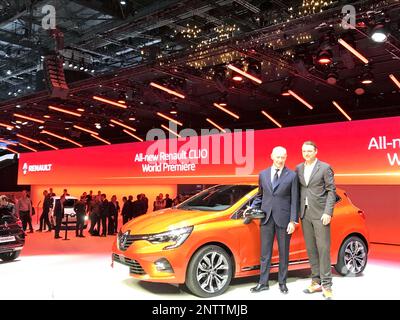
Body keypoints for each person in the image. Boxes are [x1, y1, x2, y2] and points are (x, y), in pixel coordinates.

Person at [250, 146, 298, 294]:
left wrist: (293, 220)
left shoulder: (292, 175)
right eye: (277, 157)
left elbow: (295, 200)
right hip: (266, 217)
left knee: (284, 252)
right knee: (265, 253)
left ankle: (282, 282)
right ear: (272, 156)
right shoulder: (263, 174)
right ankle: (263, 283)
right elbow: (260, 196)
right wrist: (251, 208)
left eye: (283, 157)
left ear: (286, 157)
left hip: (284, 219)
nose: (280, 160)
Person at [296, 141, 336, 300]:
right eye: (304, 151)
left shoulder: (325, 168)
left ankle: (327, 285)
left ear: (316, 152)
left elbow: (331, 191)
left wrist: (328, 212)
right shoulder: (299, 168)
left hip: (321, 214)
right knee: (311, 249)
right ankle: (315, 281)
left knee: (323, 249)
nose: (306, 153)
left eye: (309, 151)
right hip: (305, 214)